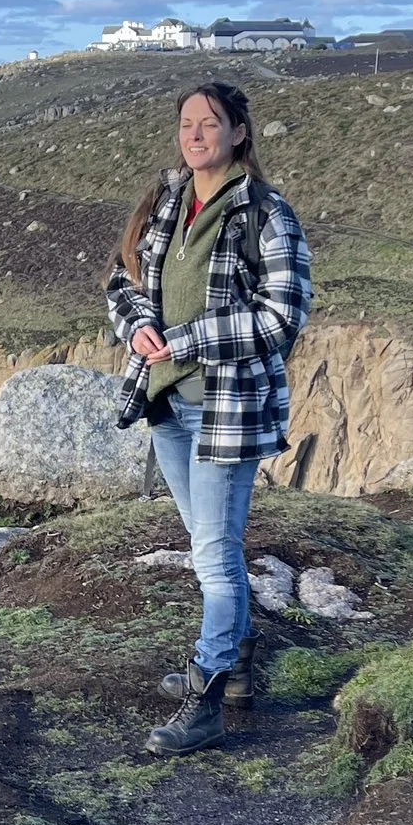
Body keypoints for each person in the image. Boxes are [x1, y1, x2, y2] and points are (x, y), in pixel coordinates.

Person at [103, 81, 312, 755]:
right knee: (207, 549)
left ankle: (205, 695)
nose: (196, 135)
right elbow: (123, 282)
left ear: (239, 133)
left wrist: (190, 340)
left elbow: (284, 317)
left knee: (215, 558)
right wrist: (136, 327)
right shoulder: (165, 201)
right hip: (168, 406)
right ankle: (239, 662)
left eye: (210, 123)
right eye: (187, 123)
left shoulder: (265, 213)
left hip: (228, 412)